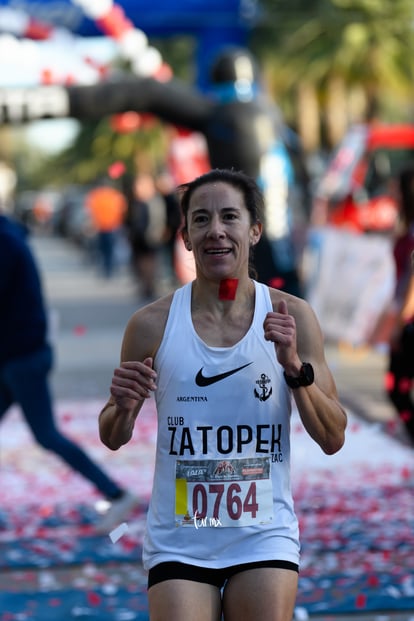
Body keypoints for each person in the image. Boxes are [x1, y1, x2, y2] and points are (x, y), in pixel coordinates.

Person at [98, 169, 347, 621]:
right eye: (201, 220)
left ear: (253, 231)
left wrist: (294, 368)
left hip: (262, 535)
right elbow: (112, 434)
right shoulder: (151, 325)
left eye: (229, 217)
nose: (216, 230)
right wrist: (125, 408)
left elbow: (333, 437)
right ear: (187, 238)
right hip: (181, 539)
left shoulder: (292, 317)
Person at [0, 206, 138, 533]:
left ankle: (116, 493)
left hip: (20, 356)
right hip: (19, 353)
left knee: (46, 434)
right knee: (47, 433)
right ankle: (116, 493)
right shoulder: (9, 236)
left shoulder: (5, 243)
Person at [385, 163, 414, 445]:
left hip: (409, 321)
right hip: (405, 318)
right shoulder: (405, 227)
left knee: (396, 388)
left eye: (396, 188)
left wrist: (398, 322)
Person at [85, 179, 127, 278]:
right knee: (111, 249)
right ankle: (110, 268)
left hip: (102, 227)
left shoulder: (96, 196)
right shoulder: (115, 195)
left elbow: (89, 211)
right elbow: (123, 210)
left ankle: (107, 269)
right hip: (112, 226)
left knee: (104, 250)